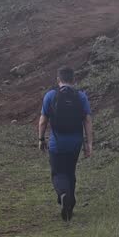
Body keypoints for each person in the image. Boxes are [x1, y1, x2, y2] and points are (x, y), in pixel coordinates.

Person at [38, 66, 93, 222]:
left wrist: (41, 140)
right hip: (75, 143)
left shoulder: (50, 96)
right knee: (70, 172)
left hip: (57, 143)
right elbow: (87, 120)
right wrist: (89, 144)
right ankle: (70, 204)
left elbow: (43, 121)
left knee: (58, 173)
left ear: (58, 80)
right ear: (73, 80)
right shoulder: (81, 96)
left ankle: (64, 195)